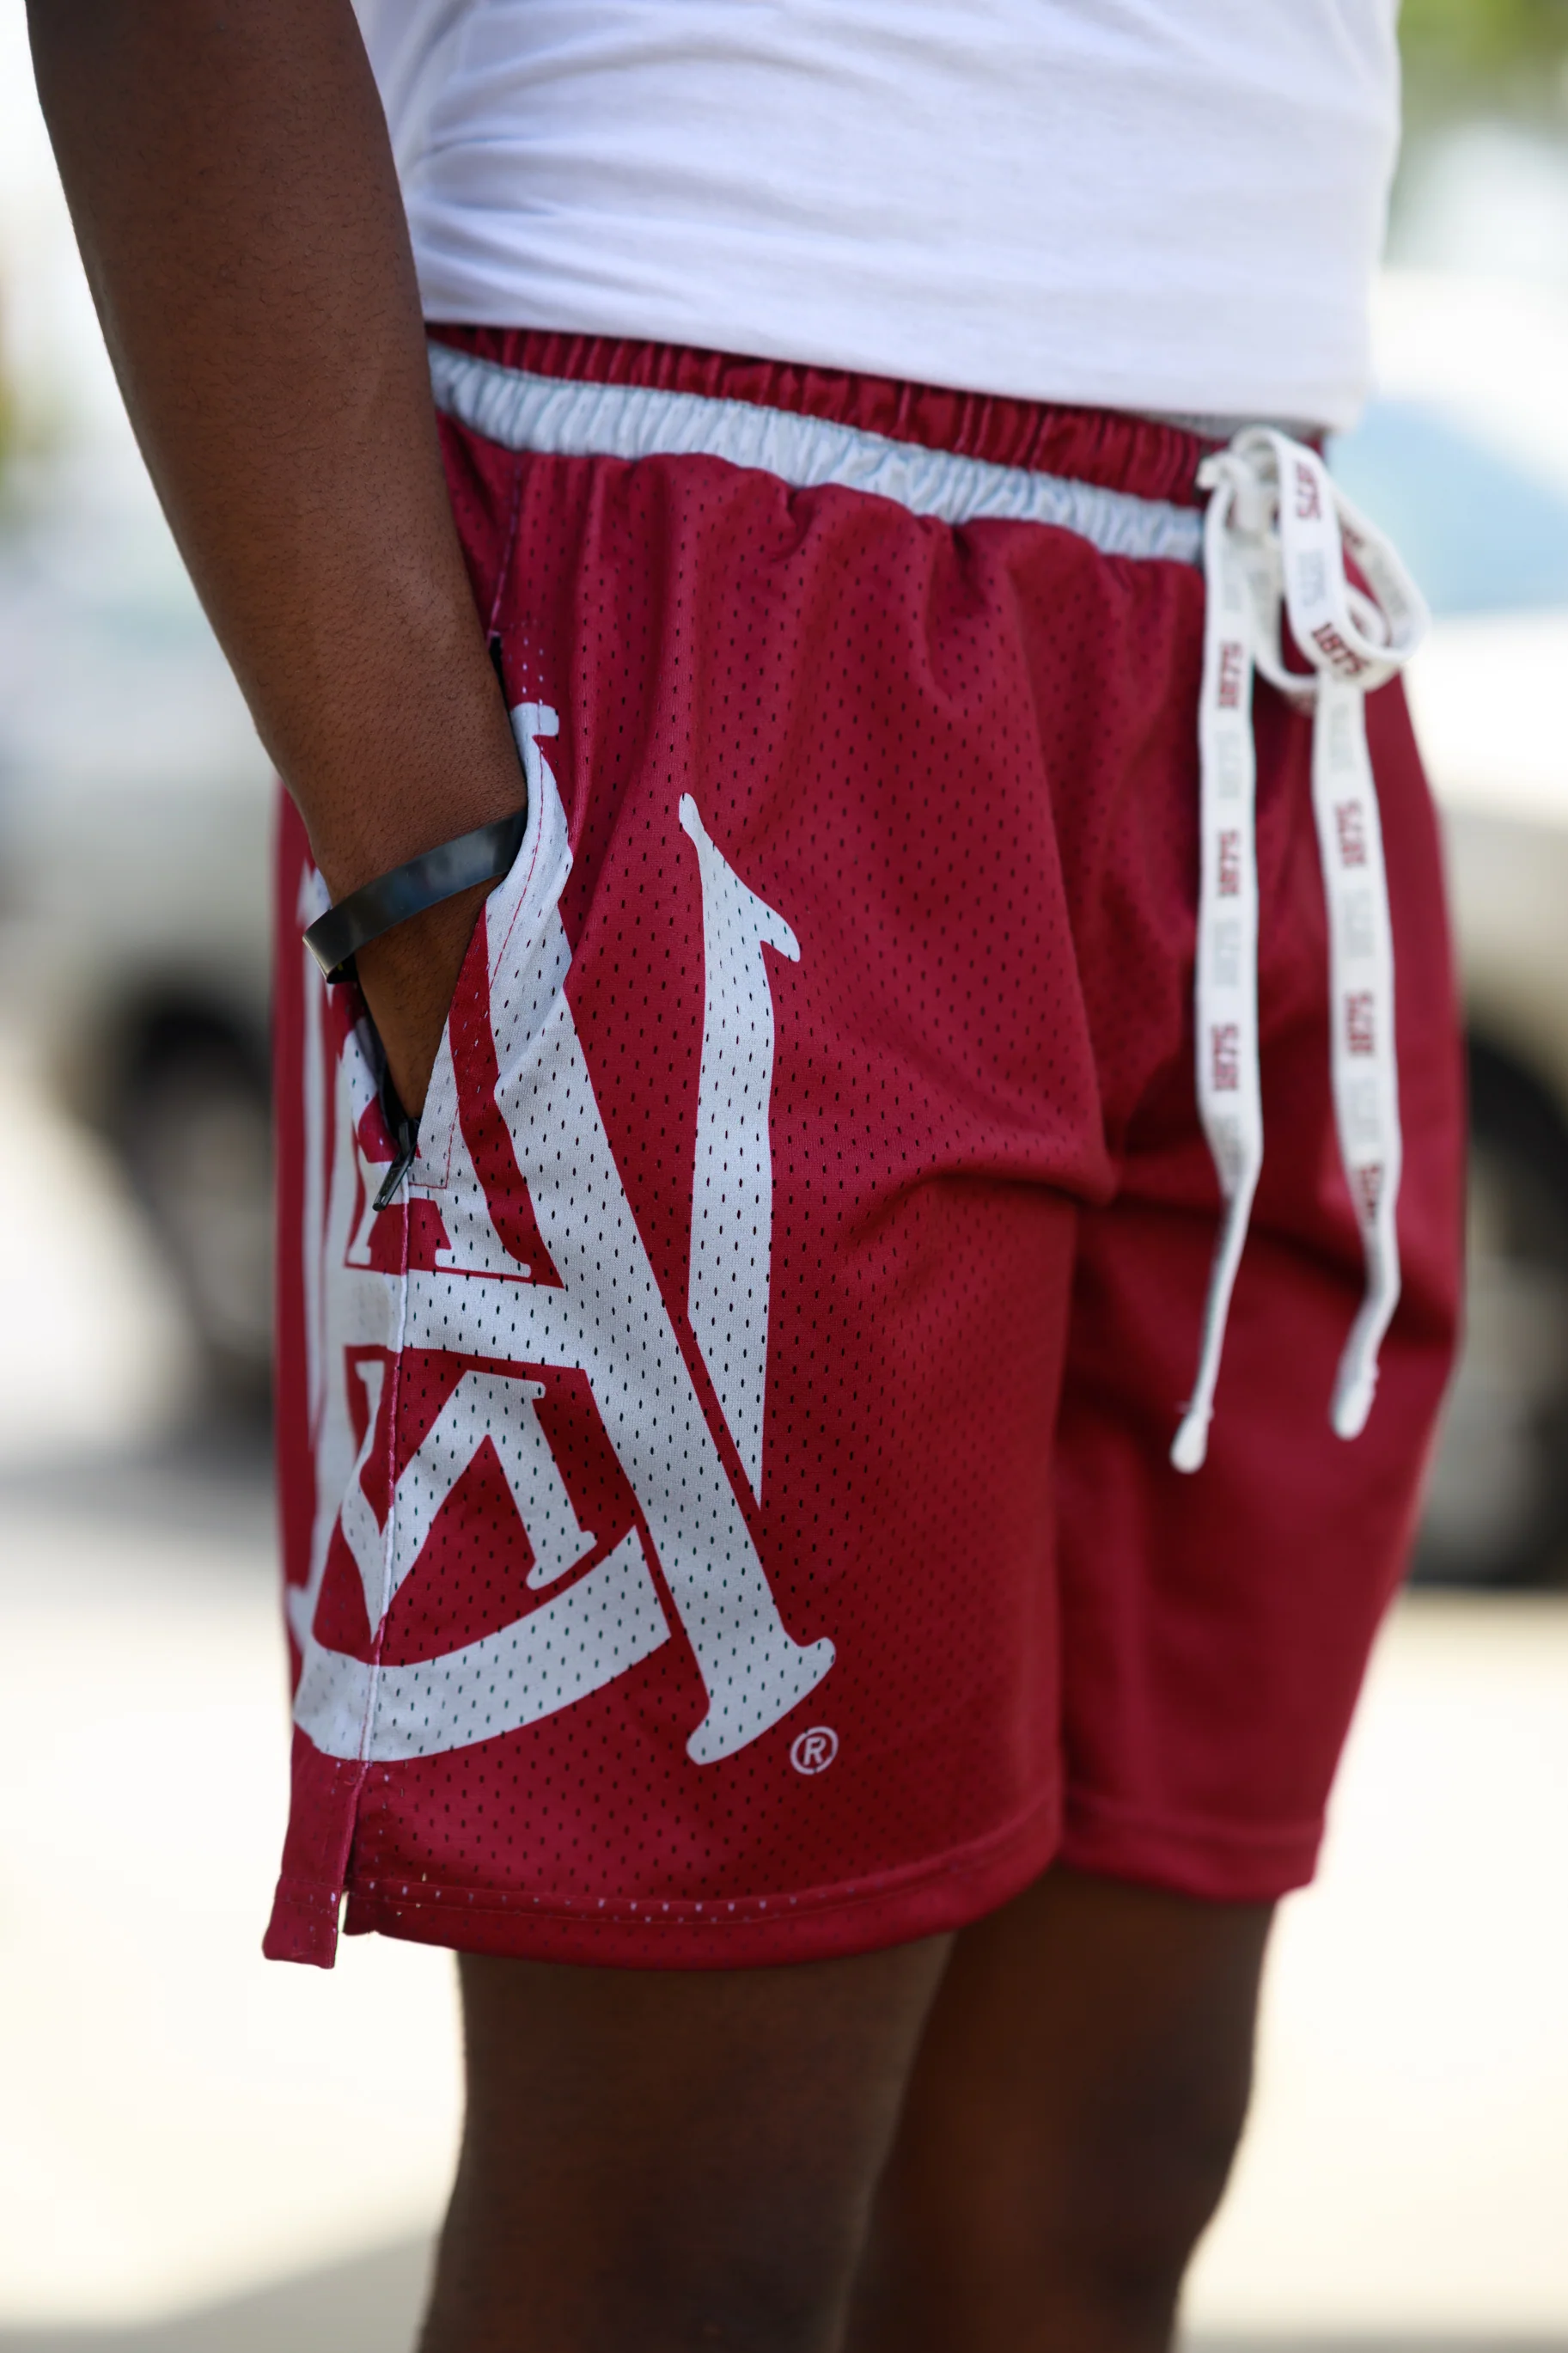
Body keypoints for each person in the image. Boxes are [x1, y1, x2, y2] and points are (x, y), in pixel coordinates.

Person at [31, 3, 1461, 2346]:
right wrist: (429, 875)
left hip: (1262, 623)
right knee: (683, 2249)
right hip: (727, 573)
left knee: (1094, 2200)